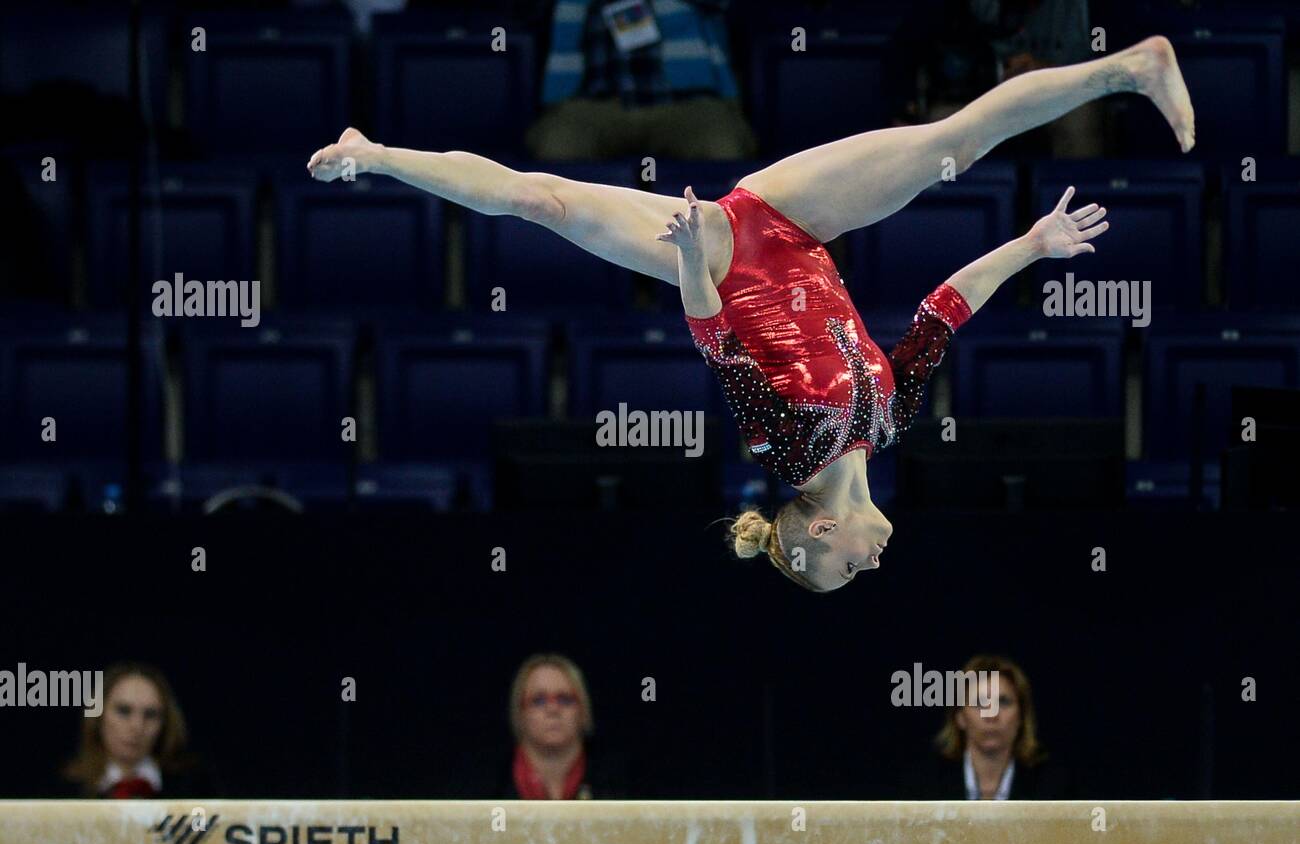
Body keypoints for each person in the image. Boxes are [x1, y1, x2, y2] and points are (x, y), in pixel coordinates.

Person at [305, 35, 1194, 591]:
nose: (875, 560)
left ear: (817, 530)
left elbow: (715, 342)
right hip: (799, 222)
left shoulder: (784, 446)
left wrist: (695, 252)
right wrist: (1033, 246)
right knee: (946, 148)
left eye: (851, 565)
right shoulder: (886, 422)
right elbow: (937, 316)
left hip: (722, 256)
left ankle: (374, 154)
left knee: (544, 203)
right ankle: (1127, 67)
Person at [524, 0, 757, 161]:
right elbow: (526, 12)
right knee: (556, 148)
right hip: (595, 106)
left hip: (686, 103)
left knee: (724, 147)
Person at [909, 653, 1074, 799]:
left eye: (1003, 702)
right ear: (960, 717)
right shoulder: (924, 785)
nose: (991, 714)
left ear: (1022, 716)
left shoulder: (1054, 788)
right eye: (980, 703)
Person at [57, 663, 216, 798]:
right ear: (98, 716)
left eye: (151, 714)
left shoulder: (195, 788)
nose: (137, 726)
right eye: (124, 711)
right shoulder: (64, 791)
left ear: (166, 723)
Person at [495, 653, 623, 799]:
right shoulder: (486, 783)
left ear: (583, 711)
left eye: (565, 699)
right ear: (520, 712)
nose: (553, 709)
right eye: (539, 700)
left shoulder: (622, 783)